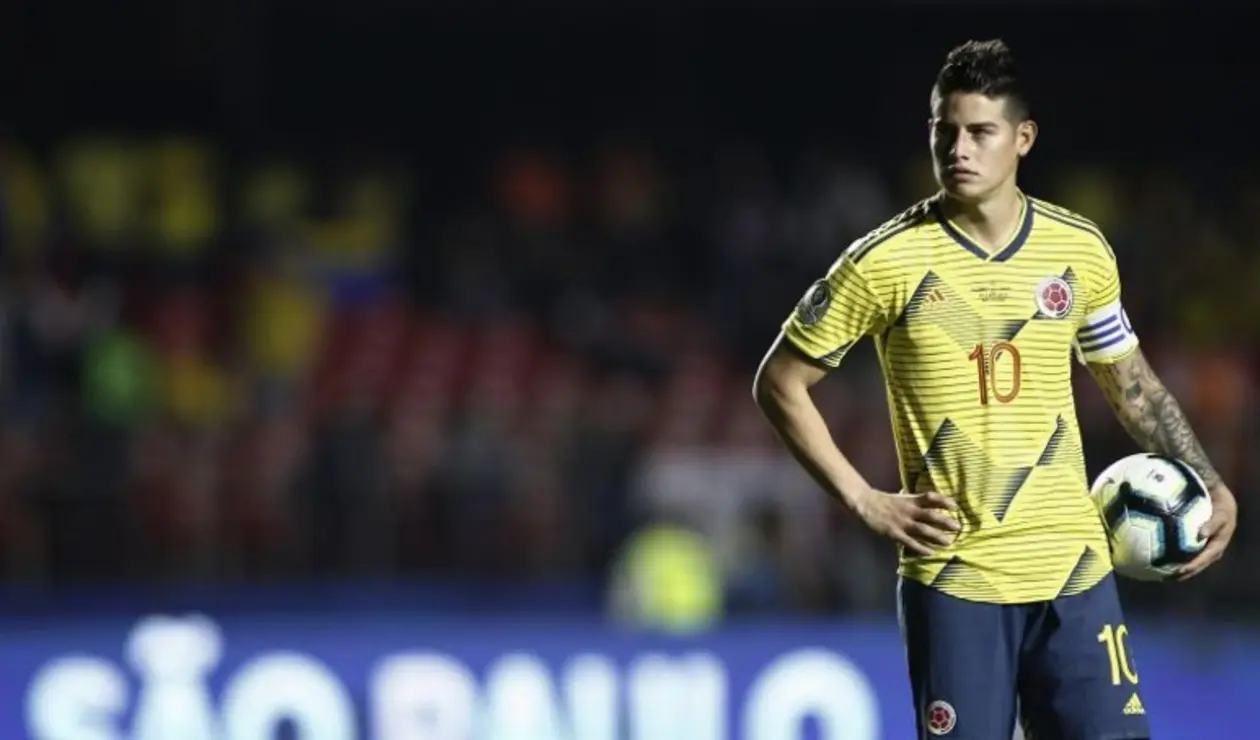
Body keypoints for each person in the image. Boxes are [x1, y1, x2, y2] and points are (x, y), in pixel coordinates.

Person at [752, 38, 1238, 740]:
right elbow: (780, 382)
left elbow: (1129, 382)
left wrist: (1211, 480)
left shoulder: (1079, 251)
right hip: (956, 582)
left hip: (1076, 571)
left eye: (980, 132)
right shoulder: (885, 262)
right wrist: (866, 501)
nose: (958, 149)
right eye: (943, 130)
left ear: (1023, 138)